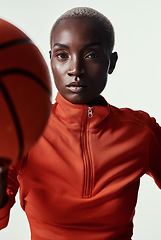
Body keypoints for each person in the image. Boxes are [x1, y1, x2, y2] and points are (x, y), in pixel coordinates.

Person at [0, 6, 161, 240]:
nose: (76, 69)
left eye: (91, 55)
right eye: (62, 55)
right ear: (50, 61)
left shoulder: (141, 131)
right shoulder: (25, 128)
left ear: (111, 62)